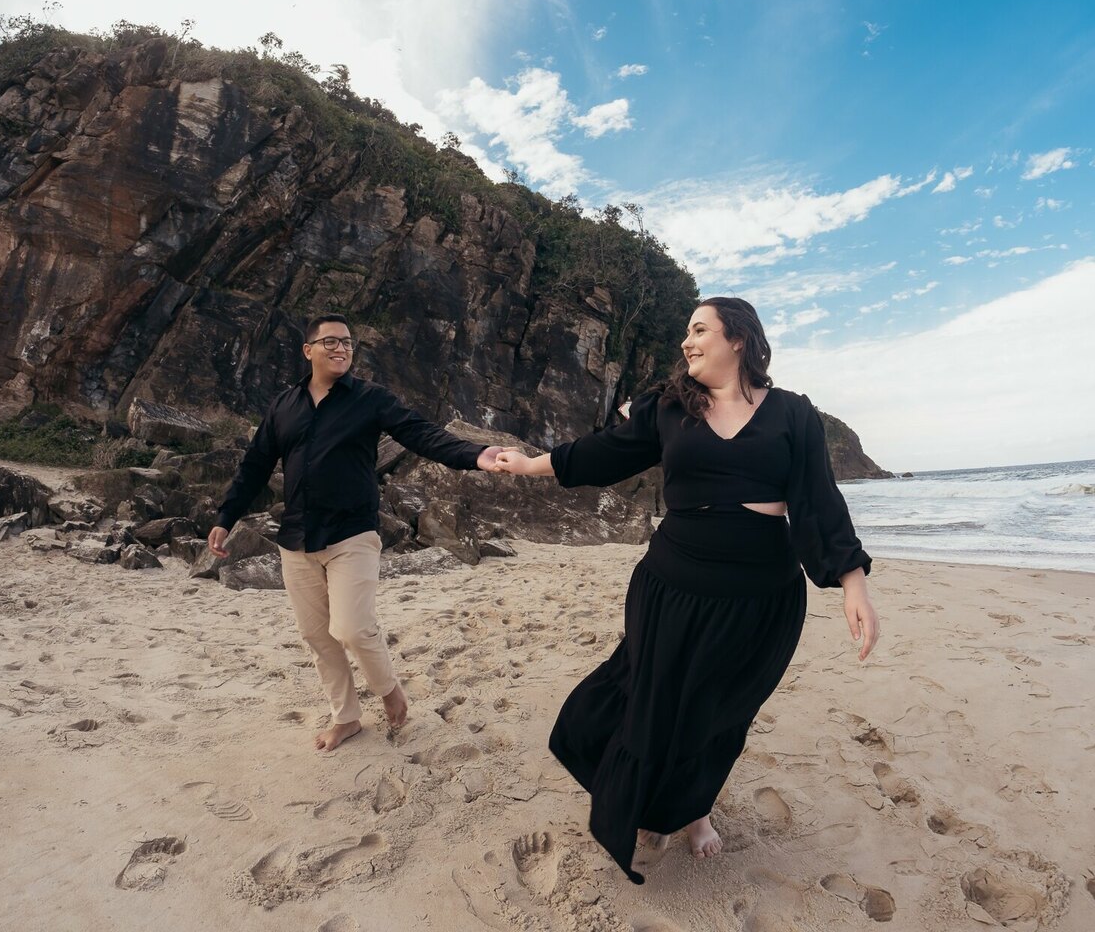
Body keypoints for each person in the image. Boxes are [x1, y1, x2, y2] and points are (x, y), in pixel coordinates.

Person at [491, 296, 879, 883]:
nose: (687, 342)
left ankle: (694, 807)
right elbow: (601, 454)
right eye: (686, 333)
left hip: (760, 599)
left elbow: (820, 500)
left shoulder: (794, 414)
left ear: (739, 339)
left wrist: (853, 582)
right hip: (672, 586)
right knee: (657, 699)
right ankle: (671, 808)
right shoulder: (669, 409)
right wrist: (526, 465)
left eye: (700, 330)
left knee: (719, 712)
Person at [209, 314, 505, 751]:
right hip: (296, 537)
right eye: (329, 341)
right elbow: (255, 466)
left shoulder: (371, 400)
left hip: (352, 533)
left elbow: (423, 435)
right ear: (308, 350)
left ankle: (390, 693)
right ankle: (346, 717)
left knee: (351, 628)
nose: (340, 348)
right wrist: (225, 516)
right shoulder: (283, 406)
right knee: (316, 635)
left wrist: (476, 454)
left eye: (347, 342)